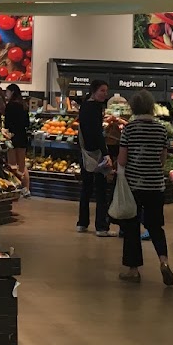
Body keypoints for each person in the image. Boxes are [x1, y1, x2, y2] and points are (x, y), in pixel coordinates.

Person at [116, 89, 173, 286]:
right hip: (156, 185)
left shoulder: (130, 129)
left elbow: (122, 159)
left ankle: (133, 270)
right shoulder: (161, 129)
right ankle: (164, 261)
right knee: (155, 226)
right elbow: (162, 160)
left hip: (134, 186)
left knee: (132, 228)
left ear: (133, 107)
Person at [76, 79, 113, 236]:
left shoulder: (84, 105)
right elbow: (97, 133)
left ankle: (82, 223)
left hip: (85, 153)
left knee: (86, 188)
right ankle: (101, 227)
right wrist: (105, 154)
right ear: (94, 91)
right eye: (102, 91)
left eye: (106, 91)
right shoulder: (96, 108)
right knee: (101, 190)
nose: (105, 94)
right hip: (96, 154)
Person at [2, 83, 30, 195]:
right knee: (22, 165)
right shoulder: (24, 105)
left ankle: (15, 187)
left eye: (7, 92)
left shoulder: (10, 106)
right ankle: (26, 189)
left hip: (12, 136)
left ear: (12, 92)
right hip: (22, 136)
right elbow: (27, 123)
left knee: (12, 165)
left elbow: (7, 123)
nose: (6, 94)